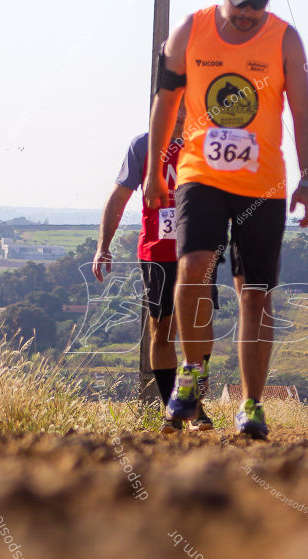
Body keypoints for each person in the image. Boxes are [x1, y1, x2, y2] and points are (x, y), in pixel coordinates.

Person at [145, 0, 308, 439]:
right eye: (241, 4)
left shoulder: (284, 39)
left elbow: (301, 113)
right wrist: (151, 173)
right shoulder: (190, 31)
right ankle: (188, 374)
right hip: (200, 174)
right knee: (193, 266)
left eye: (258, 5)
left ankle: (251, 405)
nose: (249, 13)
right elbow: (166, 103)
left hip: (261, 185)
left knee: (255, 294)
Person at [94, 106, 217, 434]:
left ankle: (195, 406)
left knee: (200, 328)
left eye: (185, 105)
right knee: (161, 330)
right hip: (157, 252)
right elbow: (119, 196)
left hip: (199, 248)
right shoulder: (143, 146)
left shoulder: (208, 143)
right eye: (171, 105)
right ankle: (172, 411)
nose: (178, 112)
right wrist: (103, 246)